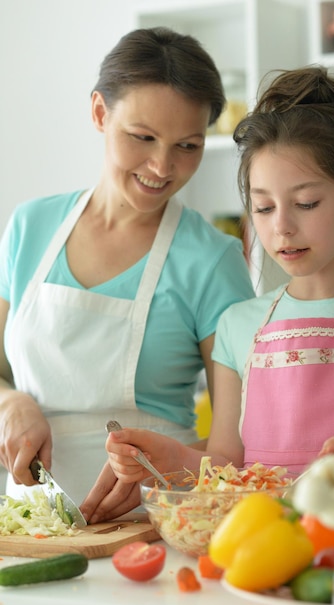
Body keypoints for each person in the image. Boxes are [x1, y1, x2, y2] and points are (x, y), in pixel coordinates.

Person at [98, 65, 334, 523]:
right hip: (265, 557)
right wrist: (171, 456)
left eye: (306, 203)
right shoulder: (238, 325)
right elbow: (230, 465)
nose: (281, 227)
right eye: (263, 207)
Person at [0, 27, 255, 513]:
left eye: (188, 146)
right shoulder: (30, 227)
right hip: (30, 526)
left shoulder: (212, 260)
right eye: (143, 137)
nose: (162, 166)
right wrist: (9, 404)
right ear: (99, 112)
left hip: (154, 524)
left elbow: (243, 441)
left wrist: (163, 472)